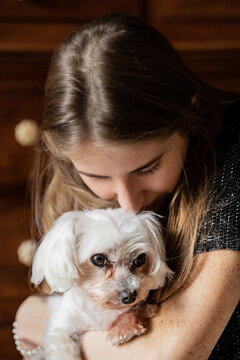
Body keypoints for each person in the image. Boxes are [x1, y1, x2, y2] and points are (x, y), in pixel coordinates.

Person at [15, 13, 240, 359]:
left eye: (148, 167)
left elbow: (173, 353)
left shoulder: (232, 168)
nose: (128, 202)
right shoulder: (72, 204)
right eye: (98, 177)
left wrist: (36, 324)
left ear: (191, 117)